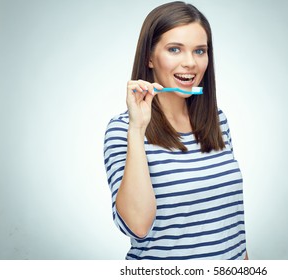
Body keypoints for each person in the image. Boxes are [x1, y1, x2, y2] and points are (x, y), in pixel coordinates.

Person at [103, 1, 248, 260]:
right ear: (149, 57)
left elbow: (232, 228)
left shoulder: (218, 122)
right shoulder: (123, 130)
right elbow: (136, 225)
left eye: (199, 51)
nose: (190, 63)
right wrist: (137, 128)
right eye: (174, 49)